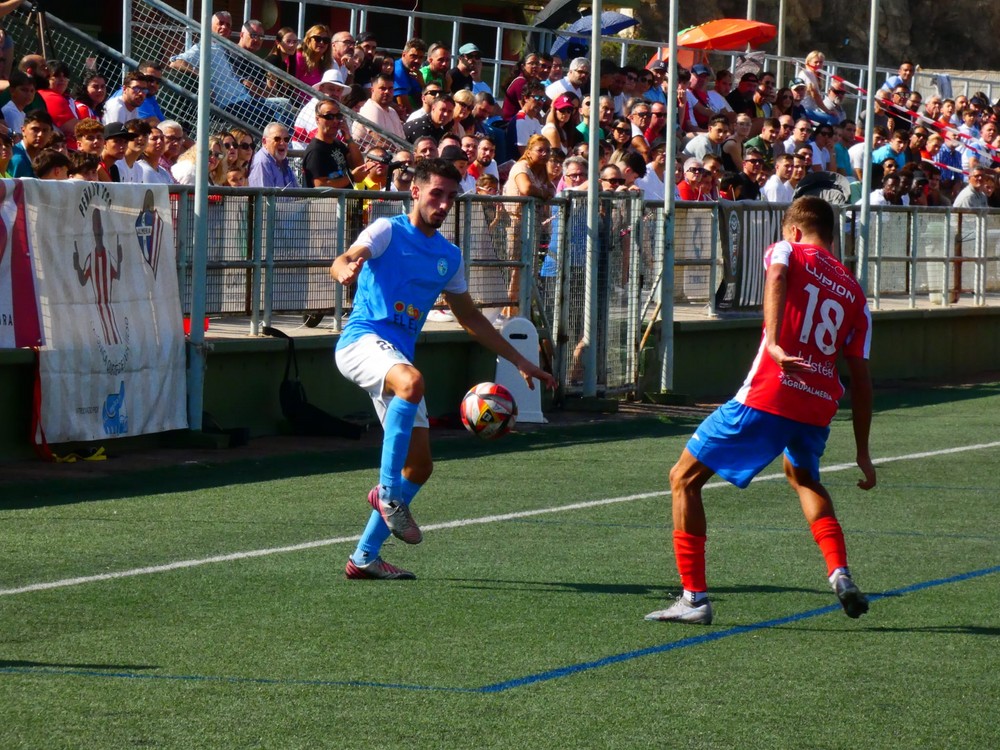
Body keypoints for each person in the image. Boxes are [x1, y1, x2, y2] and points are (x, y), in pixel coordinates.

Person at [645, 196, 875, 625]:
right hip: (820, 402)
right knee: (804, 477)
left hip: (772, 391)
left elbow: (776, 275)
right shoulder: (856, 293)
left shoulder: (789, 248)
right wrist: (863, 451)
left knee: (683, 478)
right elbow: (861, 379)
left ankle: (694, 599)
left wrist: (772, 339)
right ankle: (839, 573)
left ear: (793, 229)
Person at [332, 158, 556, 579]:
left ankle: (364, 558)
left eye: (451, 196)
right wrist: (344, 266)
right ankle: (387, 495)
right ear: (415, 191)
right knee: (412, 382)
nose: (444, 203)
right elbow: (348, 256)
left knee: (420, 466)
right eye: (436, 193)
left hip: (396, 357)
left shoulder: (448, 256)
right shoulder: (387, 230)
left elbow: (470, 318)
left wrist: (521, 360)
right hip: (360, 341)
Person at [301, 99, 362, 188]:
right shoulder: (315, 150)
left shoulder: (337, 144)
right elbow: (320, 185)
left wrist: (349, 139)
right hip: (327, 201)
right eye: (329, 116)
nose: (335, 121)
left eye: (338, 116)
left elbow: (358, 165)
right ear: (318, 119)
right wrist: (351, 177)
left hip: (345, 200)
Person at [249, 123, 297, 188]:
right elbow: (264, 197)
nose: (282, 143)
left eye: (286, 140)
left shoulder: (284, 163)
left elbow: (298, 195)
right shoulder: (262, 163)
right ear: (264, 141)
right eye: (277, 139)